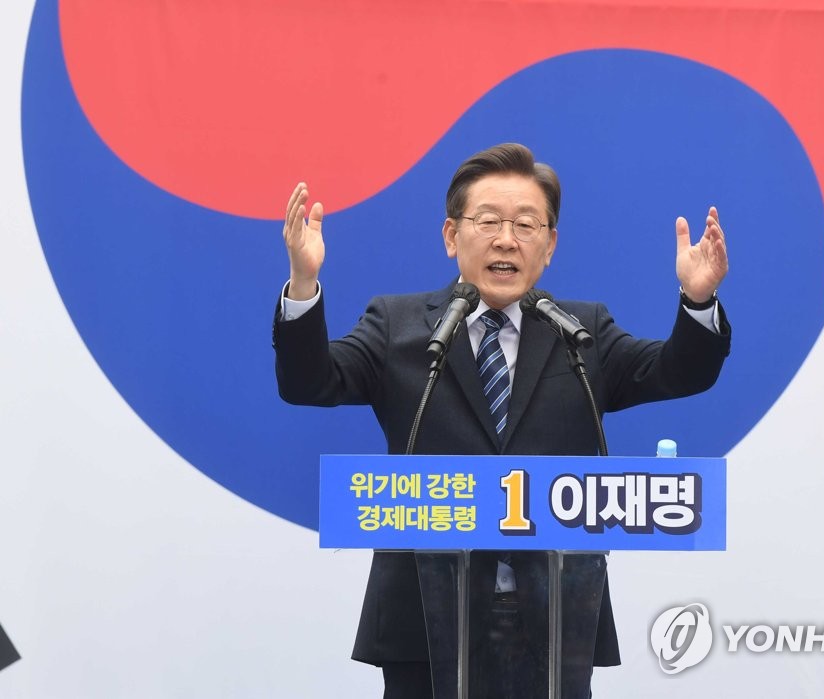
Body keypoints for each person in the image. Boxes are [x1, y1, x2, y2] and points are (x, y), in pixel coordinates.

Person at [273, 143, 730, 697]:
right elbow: (310, 382)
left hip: (557, 622)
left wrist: (698, 301)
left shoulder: (579, 331)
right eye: (488, 221)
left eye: (526, 224)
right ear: (451, 236)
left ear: (549, 245)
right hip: (423, 624)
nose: (506, 240)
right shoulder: (398, 325)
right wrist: (303, 285)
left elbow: (677, 373)